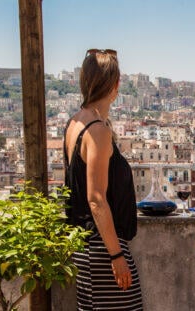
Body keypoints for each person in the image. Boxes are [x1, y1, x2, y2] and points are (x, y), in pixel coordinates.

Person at [63, 48, 143, 310]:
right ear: (115, 84)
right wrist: (116, 255)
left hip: (86, 248)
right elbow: (96, 198)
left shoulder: (76, 123)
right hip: (102, 249)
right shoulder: (97, 131)